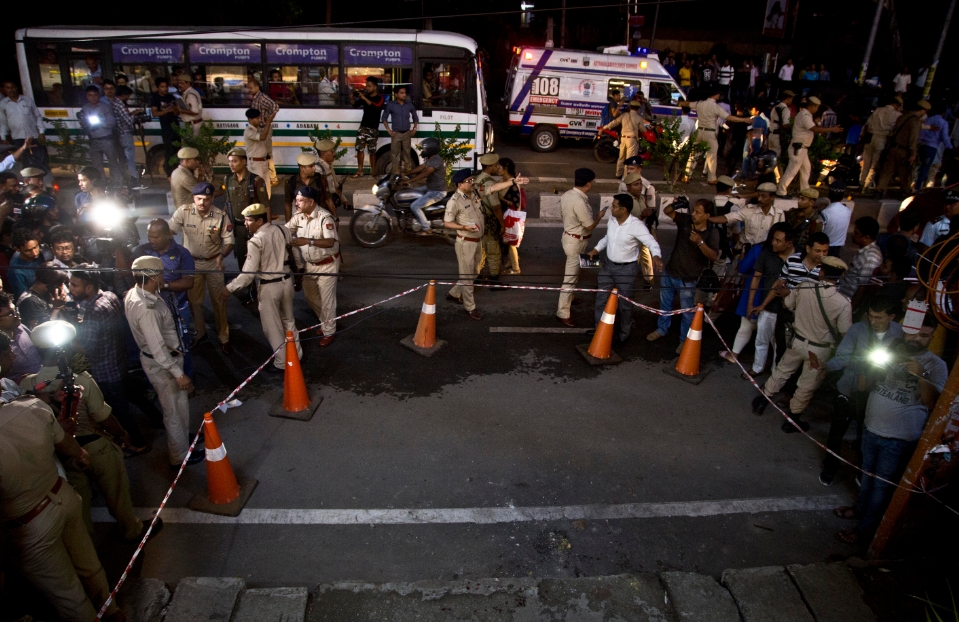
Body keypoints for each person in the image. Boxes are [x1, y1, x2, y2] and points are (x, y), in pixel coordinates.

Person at [22, 320, 153, 543]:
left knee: (80, 503)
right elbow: (103, 417)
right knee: (117, 492)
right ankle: (131, 529)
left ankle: (87, 543)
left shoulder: (29, 384)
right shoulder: (81, 380)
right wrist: (122, 434)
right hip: (94, 446)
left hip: (62, 453)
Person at [0, 393, 125, 622]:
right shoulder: (31, 405)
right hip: (62, 496)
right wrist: (82, 455)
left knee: (68, 594)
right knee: (90, 564)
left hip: (29, 524)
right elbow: (66, 441)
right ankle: (112, 610)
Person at [835, 311, 946, 545]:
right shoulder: (890, 352)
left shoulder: (936, 365)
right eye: (912, 332)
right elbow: (865, 387)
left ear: (932, 337)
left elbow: (932, 404)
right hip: (871, 428)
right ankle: (859, 510)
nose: (916, 338)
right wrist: (869, 366)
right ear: (905, 330)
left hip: (898, 438)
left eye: (924, 336)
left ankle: (865, 532)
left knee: (881, 488)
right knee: (865, 476)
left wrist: (920, 375)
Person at [752, 255, 852, 431]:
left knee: (782, 371)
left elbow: (787, 304)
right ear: (841, 276)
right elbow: (845, 332)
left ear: (821, 271)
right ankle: (793, 419)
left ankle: (763, 401)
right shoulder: (843, 303)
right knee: (807, 384)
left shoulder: (804, 286)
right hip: (819, 350)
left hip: (797, 341)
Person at [125, 255, 204, 469]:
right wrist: (178, 373)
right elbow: (157, 346)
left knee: (179, 406)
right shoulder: (145, 308)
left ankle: (183, 440)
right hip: (163, 365)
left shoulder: (139, 293)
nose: (163, 276)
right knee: (173, 412)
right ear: (151, 277)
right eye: (160, 273)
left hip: (165, 359)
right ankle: (179, 456)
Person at [818, 296, 903, 486]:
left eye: (879, 318)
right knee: (836, 431)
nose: (873, 321)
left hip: (876, 393)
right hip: (849, 387)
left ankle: (861, 470)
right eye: (870, 316)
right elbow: (843, 356)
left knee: (865, 435)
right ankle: (830, 466)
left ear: (891, 317)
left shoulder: (899, 332)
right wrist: (826, 366)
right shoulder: (857, 329)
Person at [68, 265, 149, 453]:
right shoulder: (110, 296)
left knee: (120, 410)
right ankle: (158, 419)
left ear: (89, 288)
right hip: (119, 361)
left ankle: (138, 443)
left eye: (74, 285)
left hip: (105, 371)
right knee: (134, 394)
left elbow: (86, 346)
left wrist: (69, 341)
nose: (70, 289)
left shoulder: (93, 312)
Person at [223, 203, 301, 374]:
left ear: (259, 221)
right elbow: (294, 253)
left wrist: (229, 288)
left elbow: (248, 274)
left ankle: (282, 362)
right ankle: (297, 355)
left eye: (249, 220)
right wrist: (299, 271)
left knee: (272, 327)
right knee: (289, 320)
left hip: (269, 287)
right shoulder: (283, 230)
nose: (245, 223)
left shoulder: (256, 241)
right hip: (287, 281)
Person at [586, 194, 663, 343]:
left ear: (623, 209)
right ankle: (599, 329)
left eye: (614, 206)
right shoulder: (612, 220)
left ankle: (624, 334)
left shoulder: (636, 225)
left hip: (626, 270)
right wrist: (596, 249)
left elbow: (651, 242)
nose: (611, 209)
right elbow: (607, 238)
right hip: (608, 266)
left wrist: (656, 256)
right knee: (601, 299)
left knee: (625, 304)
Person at [648, 197, 721, 353]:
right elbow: (668, 211)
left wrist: (700, 242)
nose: (694, 214)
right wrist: (677, 204)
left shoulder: (712, 232)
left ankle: (683, 340)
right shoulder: (686, 220)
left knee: (687, 312)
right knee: (665, 305)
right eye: (693, 210)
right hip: (670, 272)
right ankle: (662, 329)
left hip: (689, 279)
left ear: (707, 216)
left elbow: (714, 256)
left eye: (698, 212)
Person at [169, 181, 234, 353]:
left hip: (214, 262)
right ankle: (200, 334)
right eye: (198, 199)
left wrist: (221, 256)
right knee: (194, 302)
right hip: (191, 263)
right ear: (193, 198)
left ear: (212, 198)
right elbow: (169, 232)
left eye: (206, 199)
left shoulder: (220, 216)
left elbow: (229, 241)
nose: (202, 203)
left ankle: (224, 336)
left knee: (219, 301)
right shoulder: (184, 212)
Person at [720, 222, 795, 370]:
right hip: (778, 300)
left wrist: (742, 256)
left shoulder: (759, 249)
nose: (774, 242)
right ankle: (774, 367)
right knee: (774, 336)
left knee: (747, 325)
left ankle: (735, 354)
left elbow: (743, 268)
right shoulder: (795, 255)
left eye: (778, 240)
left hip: (756, 295)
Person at [132, 219, 195, 370]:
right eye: (149, 236)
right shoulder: (142, 252)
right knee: (153, 345)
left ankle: (186, 378)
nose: (152, 240)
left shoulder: (182, 254)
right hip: (150, 310)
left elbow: (188, 283)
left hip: (177, 308)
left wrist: (163, 285)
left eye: (156, 236)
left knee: (180, 345)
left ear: (168, 235)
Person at [286, 186, 339, 346]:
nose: (297, 204)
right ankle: (326, 322)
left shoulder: (325, 218)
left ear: (311, 201)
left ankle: (329, 331)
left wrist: (307, 241)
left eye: (301, 201)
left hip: (327, 265)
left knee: (327, 299)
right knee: (310, 296)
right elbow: (286, 231)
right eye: (296, 200)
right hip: (310, 265)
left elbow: (330, 242)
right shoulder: (299, 216)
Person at [556, 168, 607, 327]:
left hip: (570, 238)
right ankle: (562, 312)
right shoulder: (579, 201)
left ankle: (570, 298)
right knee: (569, 278)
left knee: (576, 270)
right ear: (588, 183)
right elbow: (590, 226)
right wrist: (599, 217)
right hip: (576, 242)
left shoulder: (567, 195)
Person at [681, 89, 751, 184]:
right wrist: (744, 120)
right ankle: (711, 178)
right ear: (716, 95)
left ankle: (686, 176)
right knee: (712, 156)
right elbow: (729, 118)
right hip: (710, 132)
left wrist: (678, 102)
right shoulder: (715, 107)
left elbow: (688, 104)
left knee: (693, 155)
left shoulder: (700, 104)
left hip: (700, 130)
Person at [776, 97, 843, 196]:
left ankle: (805, 191)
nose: (817, 110)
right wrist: (832, 129)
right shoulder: (805, 115)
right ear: (813, 106)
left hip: (802, 148)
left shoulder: (806, 114)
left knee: (806, 170)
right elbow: (814, 129)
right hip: (798, 148)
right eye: (817, 107)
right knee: (792, 171)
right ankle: (781, 191)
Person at [444, 169, 486, 320]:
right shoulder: (454, 202)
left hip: (477, 242)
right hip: (465, 243)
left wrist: (513, 181)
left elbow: (493, 188)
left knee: (475, 271)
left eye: (472, 180)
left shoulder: (474, 193)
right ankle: (470, 307)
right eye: (469, 181)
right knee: (467, 276)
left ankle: (454, 293)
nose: (472, 182)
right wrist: (463, 227)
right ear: (460, 185)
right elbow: (447, 223)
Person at [223, 146, 270, 278]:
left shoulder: (256, 181)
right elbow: (228, 203)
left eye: (235, 161)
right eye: (230, 161)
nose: (231, 164)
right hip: (238, 229)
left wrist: (267, 229)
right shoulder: (228, 180)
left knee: (259, 262)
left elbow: (266, 205)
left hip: (254, 228)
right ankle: (249, 294)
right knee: (242, 264)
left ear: (244, 162)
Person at [708, 182, 785, 252]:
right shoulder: (748, 209)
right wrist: (707, 218)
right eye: (758, 195)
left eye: (763, 196)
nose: (759, 199)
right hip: (745, 252)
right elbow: (727, 218)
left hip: (765, 254)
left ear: (772, 197)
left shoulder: (779, 214)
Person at [878, 100, 929, 198]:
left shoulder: (902, 117)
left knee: (887, 171)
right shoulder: (915, 121)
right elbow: (913, 138)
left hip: (893, 147)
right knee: (905, 173)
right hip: (904, 151)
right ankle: (905, 193)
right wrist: (913, 153)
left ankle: (880, 191)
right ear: (922, 110)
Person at [0, 80, 49, 174]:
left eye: (13, 87)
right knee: (24, 161)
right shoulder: (3, 104)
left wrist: (41, 132)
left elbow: (37, 116)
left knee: (41, 160)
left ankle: (44, 180)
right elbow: (3, 122)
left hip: (33, 135)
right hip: (18, 138)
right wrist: (3, 137)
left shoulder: (27, 100)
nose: (11, 90)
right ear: (4, 90)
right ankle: (28, 182)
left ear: (17, 87)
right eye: (8, 87)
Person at [621, 170, 658, 288]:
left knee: (646, 255)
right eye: (635, 185)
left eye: (640, 184)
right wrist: (642, 215)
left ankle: (649, 280)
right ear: (628, 187)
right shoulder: (625, 201)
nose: (639, 187)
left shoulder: (641, 198)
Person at [474, 153, 507, 287]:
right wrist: (502, 224)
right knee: (493, 250)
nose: (497, 167)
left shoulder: (478, 179)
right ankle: (494, 279)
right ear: (489, 167)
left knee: (480, 249)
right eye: (495, 165)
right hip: (489, 220)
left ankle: (478, 276)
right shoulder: (489, 183)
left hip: (479, 219)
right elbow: (496, 207)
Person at [403, 137, 446, 235]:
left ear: (431, 149)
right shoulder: (430, 159)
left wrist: (410, 180)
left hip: (437, 191)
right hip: (431, 188)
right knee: (411, 193)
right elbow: (421, 167)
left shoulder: (436, 160)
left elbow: (425, 173)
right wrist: (407, 173)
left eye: (424, 149)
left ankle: (426, 228)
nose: (423, 150)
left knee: (415, 206)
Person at [860, 96, 902, 190]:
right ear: (897, 105)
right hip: (882, 139)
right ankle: (867, 185)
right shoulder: (897, 114)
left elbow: (867, 124)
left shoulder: (878, 110)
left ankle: (861, 182)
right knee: (874, 164)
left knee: (866, 162)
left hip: (870, 137)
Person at [838, 217, 883, 305]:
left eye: (856, 233)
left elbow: (862, 288)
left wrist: (851, 309)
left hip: (847, 301)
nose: (853, 234)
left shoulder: (871, 258)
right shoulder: (864, 251)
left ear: (866, 237)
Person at [598, 100, 646, 178]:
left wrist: (603, 128)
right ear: (638, 109)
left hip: (623, 139)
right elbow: (643, 130)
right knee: (630, 159)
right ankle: (626, 177)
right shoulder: (638, 118)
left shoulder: (624, 115)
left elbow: (614, 122)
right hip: (632, 140)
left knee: (621, 157)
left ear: (630, 107)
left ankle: (618, 174)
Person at [0, 291, 41, 381]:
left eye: (15, 310)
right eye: (10, 313)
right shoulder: (1, 346)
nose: (17, 315)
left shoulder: (21, 328)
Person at [79, 86, 119, 179]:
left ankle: (117, 184)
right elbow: (83, 122)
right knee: (97, 166)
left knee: (113, 163)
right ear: (87, 96)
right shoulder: (85, 108)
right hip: (93, 140)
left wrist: (99, 122)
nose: (93, 98)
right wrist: (85, 122)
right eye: (90, 95)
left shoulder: (106, 107)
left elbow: (112, 122)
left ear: (99, 95)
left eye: (95, 95)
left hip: (107, 139)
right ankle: (102, 185)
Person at [103, 81, 138, 183]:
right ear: (123, 95)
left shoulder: (112, 103)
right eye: (128, 96)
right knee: (130, 158)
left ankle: (125, 178)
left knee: (121, 158)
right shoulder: (119, 104)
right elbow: (128, 120)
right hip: (125, 133)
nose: (128, 98)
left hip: (118, 134)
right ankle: (133, 178)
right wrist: (134, 115)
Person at [283, 151, 332, 222]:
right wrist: (288, 224)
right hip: (301, 220)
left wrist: (335, 217)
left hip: (319, 219)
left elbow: (328, 199)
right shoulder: (291, 183)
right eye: (311, 166)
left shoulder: (320, 180)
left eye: (314, 165)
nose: (314, 168)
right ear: (302, 168)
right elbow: (288, 204)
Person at [350, 77, 384, 177]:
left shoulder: (380, 98)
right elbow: (355, 105)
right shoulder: (365, 96)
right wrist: (352, 97)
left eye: (369, 86)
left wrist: (364, 98)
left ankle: (373, 172)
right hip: (363, 127)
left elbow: (376, 107)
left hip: (373, 128)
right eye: (366, 86)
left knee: (372, 151)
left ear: (375, 86)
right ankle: (360, 170)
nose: (367, 88)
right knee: (359, 149)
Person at [248, 78, 279, 186]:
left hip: (264, 128)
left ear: (257, 87)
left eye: (251, 87)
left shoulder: (262, 98)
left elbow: (275, 106)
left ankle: (272, 178)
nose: (249, 90)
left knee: (267, 153)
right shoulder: (256, 98)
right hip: (261, 129)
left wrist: (269, 120)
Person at [915, 102, 953, 190]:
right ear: (943, 113)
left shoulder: (927, 120)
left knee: (918, 166)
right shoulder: (943, 123)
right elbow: (945, 137)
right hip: (931, 147)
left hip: (921, 145)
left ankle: (914, 184)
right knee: (925, 168)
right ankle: (918, 188)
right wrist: (950, 147)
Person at [381, 85, 418, 174]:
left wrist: (414, 129)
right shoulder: (391, 105)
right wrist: (389, 130)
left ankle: (407, 174)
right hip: (396, 133)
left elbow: (415, 117)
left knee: (407, 154)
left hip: (406, 133)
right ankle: (396, 174)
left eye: (405, 93)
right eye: (401, 93)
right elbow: (384, 118)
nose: (404, 95)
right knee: (394, 155)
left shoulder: (409, 105)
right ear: (396, 94)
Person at [498, 157, 525, 276]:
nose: (497, 169)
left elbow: (516, 204)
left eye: (499, 167)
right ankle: (510, 261)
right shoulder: (503, 181)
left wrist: (499, 198)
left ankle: (515, 268)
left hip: (510, 218)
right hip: (503, 216)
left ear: (506, 168)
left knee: (511, 244)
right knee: (507, 242)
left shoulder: (513, 184)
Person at [150, 77, 179, 177]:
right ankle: (169, 172)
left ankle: (176, 171)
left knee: (177, 150)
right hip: (167, 128)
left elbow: (176, 110)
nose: (165, 89)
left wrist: (176, 109)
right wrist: (168, 110)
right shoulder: (155, 98)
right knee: (169, 151)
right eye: (162, 87)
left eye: (166, 86)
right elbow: (154, 113)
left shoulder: (170, 97)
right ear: (158, 88)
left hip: (175, 126)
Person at [243, 108, 273, 199]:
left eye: (259, 117)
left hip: (263, 162)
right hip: (255, 164)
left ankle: (267, 212)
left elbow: (267, 135)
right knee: (258, 189)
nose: (259, 119)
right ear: (250, 120)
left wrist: (268, 123)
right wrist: (268, 123)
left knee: (267, 189)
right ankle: (259, 211)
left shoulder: (259, 129)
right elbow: (262, 137)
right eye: (256, 118)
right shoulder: (248, 131)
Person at [8, 227, 44, 299]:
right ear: (17, 249)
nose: (34, 253)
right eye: (28, 250)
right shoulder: (16, 273)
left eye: (35, 247)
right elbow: (24, 299)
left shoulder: (40, 255)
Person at [819, 182, 851, 255]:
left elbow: (820, 231)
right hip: (838, 248)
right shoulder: (848, 211)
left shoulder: (824, 213)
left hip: (825, 247)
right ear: (842, 196)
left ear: (829, 195)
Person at [316, 138, 347, 214]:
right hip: (322, 207)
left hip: (330, 204)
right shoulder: (318, 170)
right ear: (323, 154)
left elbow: (336, 185)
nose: (334, 154)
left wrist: (343, 199)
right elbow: (323, 192)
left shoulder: (329, 166)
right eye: (331, 152)